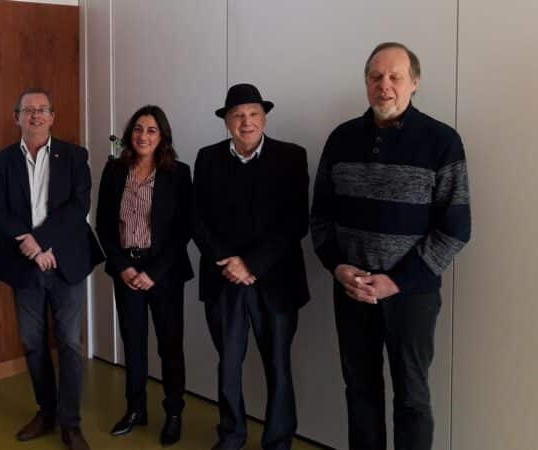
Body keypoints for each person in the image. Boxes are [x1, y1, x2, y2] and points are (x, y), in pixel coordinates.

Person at [310, 42, 471, 450]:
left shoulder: (442, 141)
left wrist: (396, 281)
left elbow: (455, 229)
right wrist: (337, 266)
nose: (385, 86)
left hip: (411, 296)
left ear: (414, 82)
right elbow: (321, 217)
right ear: (366, 82)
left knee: (412, 397)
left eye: (395, 77)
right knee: (360, 390)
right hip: (351, 291)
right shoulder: (341, 138)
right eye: (376, 77)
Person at [192, 83, 309, 450]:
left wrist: (251, 264)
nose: (246, 122)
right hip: (223, 279)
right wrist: (229, 263)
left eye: (253, 114)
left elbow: (296, 221)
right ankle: (231, 436)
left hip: (276, 281)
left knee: (278, 365)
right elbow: (197, 220)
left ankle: (278, 441)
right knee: (228, 365)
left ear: (265, 118)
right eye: (238, 115)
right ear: (226, 121)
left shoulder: (291, 157)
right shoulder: (207, 158)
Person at [0, 88, 104, 450]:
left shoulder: (74, 156)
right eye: (28, 110)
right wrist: (31, 246)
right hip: (24, 264)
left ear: (52, 117)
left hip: (66, 262)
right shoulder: (1, 161)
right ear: (16, 118)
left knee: (68, 342)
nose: (35, 115)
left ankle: (71, 423)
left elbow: (78, 206)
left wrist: (41, 241)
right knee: (32, 342)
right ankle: (46, 411)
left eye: (42, 109)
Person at [96, 105, 193, 446]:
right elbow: (104, 225)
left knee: (170, 346)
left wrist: (153, 271)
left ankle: (174, 412)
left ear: (162, 136)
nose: (143, 136)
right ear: (129, 134)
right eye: (138, 129)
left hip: (163, 272)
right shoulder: (114, 170)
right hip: (126, 269)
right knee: (133, 345)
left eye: (152, 130)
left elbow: (183, 229)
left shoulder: (178, 173)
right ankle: (136, 409)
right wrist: (123, 266)